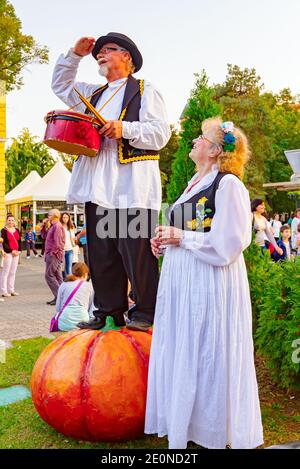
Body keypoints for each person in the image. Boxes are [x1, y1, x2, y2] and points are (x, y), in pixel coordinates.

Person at [145, 118, 264, 449]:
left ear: (215, 151)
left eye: (201, 138)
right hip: (184, 280)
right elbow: (185, 233)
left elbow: (230, 241)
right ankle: (188, 422)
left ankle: (213, 428)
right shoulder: (193, 182)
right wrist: (165, 242)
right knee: (186, 346)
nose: (194, 141)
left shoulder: (229, 185)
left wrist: (181, 237)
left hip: (210, 282)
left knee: (208, 348)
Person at [52, 32, 171, 331]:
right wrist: (74, 55)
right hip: (97, 186)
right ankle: (108, 310)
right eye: (98, 52)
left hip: (131, 187)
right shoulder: (92, 94)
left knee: (136, 251)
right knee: (101, 252)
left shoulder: (144, 90)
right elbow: (61, 85)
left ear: (126, 56)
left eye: (108, 50)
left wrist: (124, 128)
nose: (100, 55)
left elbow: (160, 133)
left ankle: (146, 311)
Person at [54, 262, 94, 331]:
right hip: (83, 322)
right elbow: (91, 308)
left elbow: (58, 308)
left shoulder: (64, 284)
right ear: (85, 274)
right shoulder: (89, 286)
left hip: (64, 323)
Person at [41, 209, 65, 306]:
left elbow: (58, 242)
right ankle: (60, 297)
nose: (47, 216)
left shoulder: (57, 226)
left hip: (54, 255)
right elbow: (44, 236)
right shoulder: (53, 226)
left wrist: (52, 253)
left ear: (55, 215)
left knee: (49, 275)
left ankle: (59, 297)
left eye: (49, 214)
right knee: (58, 276)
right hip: (52, 254)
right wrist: (43, 226)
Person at [0, 215, 21, 297]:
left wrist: (18, 251)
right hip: (8, 253)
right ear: (6, 221)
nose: (11, 222)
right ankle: (4, 291)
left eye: (12, 220)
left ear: (14, 221)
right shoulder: (3, 230)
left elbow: (19, 241)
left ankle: (11, 290)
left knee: (13, 272)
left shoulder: (17, 230)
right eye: (9, 220)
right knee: (6, 272)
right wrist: (11, 250)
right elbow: (3, 243)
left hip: (16, 253)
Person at [60, 212, 76, 277]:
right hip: (61, 250)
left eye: (66, 217)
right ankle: (63, 281)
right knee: (61, 267)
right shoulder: (59, 227)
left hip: (69, 249)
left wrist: (75, 246)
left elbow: (73, 238)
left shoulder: (71, 227)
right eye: (64, 217)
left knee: (69, 268)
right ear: (61, 218)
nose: (65, 219)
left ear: (69, 218)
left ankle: (70, 282)